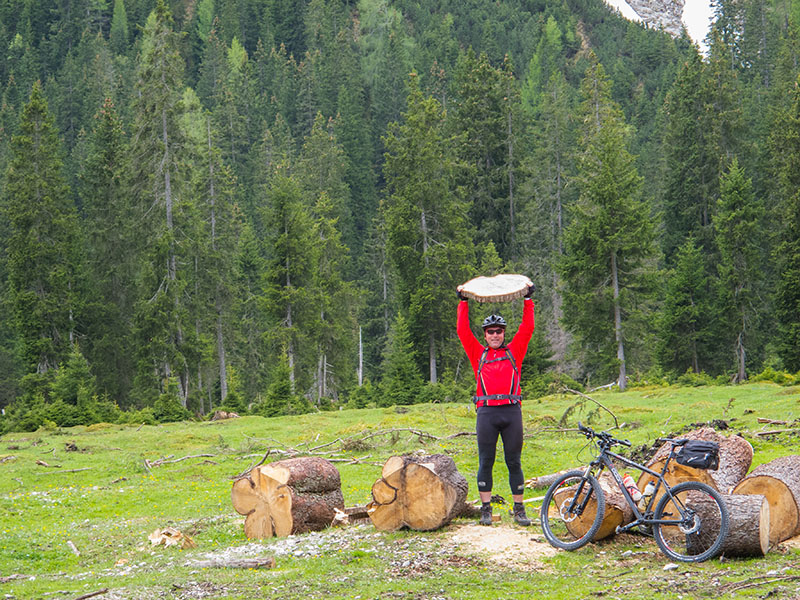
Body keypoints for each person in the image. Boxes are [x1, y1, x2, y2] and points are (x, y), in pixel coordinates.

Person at [456, 282, 535, 526]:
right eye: (490, 332)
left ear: (503, 333)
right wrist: (463, 302)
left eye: (498, 331)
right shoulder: (477, 354)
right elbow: (462, 331)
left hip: (512, 412)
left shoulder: (515, 351)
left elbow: (527, 328)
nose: (494, 335)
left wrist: (528, 300)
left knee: (514, 461)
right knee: (485, 460)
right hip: (487, 413)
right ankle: (486, 509)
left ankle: (519, 509)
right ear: (485, 335)